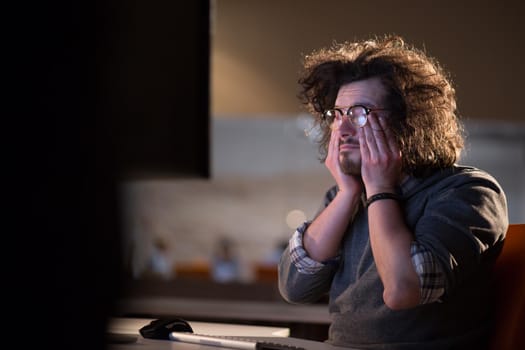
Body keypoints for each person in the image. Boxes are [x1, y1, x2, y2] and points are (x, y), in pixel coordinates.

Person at [278, 35, 508, 350]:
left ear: (409, 123)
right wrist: (347, 194)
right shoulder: (346, 196)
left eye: (359, 113)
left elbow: (402, 291)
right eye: (337, 114)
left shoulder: (469, 192)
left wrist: (380, 189)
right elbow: (295, 287)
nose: (342, 129)